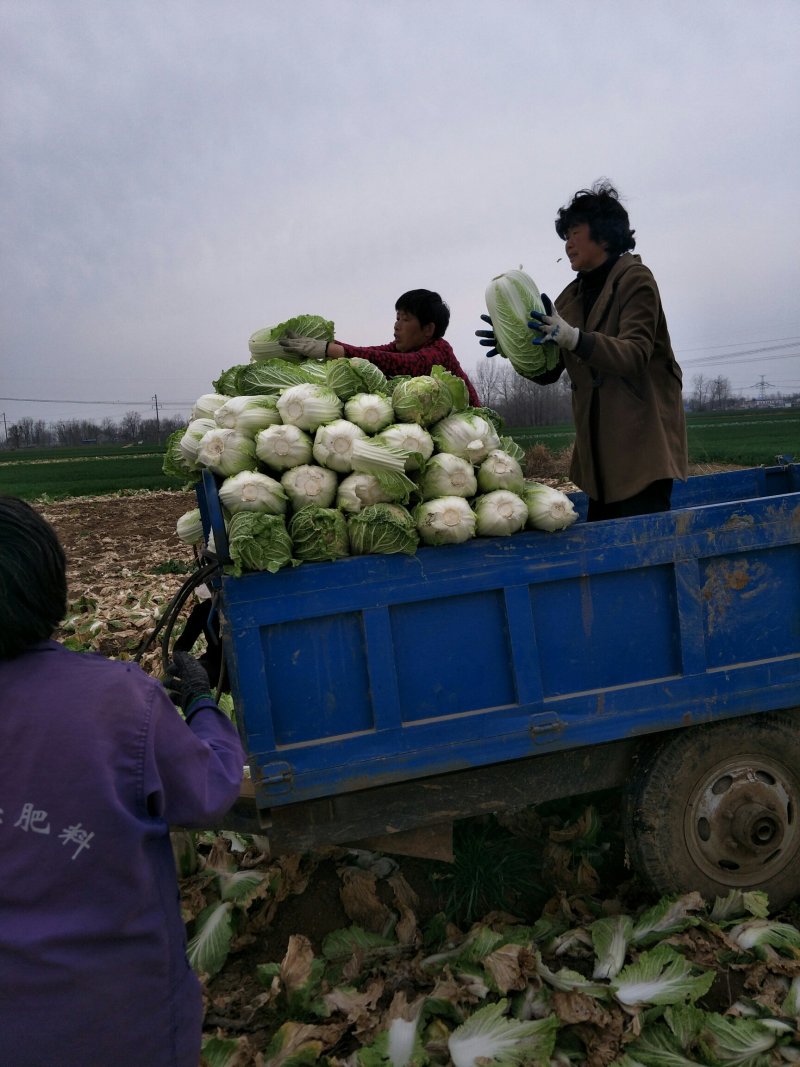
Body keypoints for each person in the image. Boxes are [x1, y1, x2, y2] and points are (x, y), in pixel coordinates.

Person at [0, 496, 245, 1067]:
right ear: (45, 585)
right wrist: (203, 704)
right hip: (117, 1024)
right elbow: (211, 790)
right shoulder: (117, 700)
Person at [478, 181, 688, 520]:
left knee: (636, 555)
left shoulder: (636, 280)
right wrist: (512, 347)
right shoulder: (569, 297)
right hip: (599, 460)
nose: (568, 243)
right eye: (565, 235)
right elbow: (549, 372)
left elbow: (634, 355)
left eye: (575, 232)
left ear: (604, 236)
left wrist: (574, 338)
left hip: (641, 452)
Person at [281, 288, 482, 407]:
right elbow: (372, 352)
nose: (397, 325)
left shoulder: (439, 351)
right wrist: (325, 345)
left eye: (405, 319)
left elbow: (402, 365)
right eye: (397, 318)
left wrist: (330, 350)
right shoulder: (401, 347)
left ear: (428, 329)